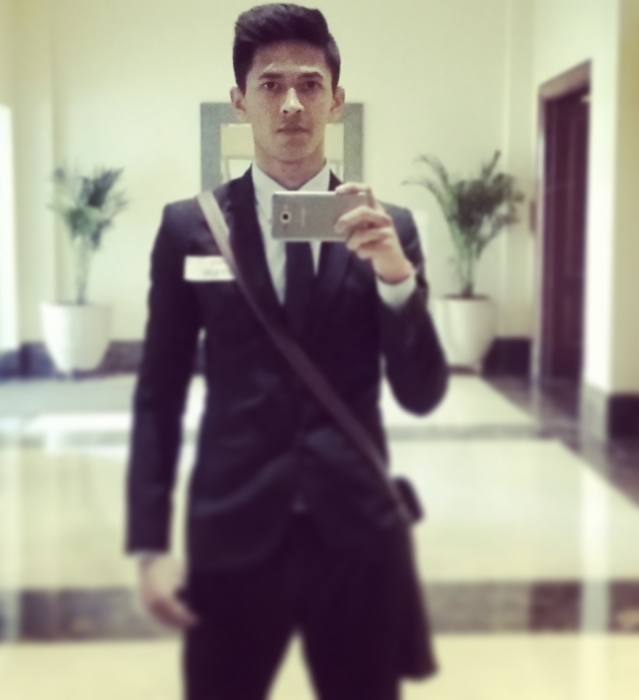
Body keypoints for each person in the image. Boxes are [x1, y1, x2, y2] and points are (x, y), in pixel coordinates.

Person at [126, 4, 448, 699]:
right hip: (232, 531)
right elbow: (158, 393)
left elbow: (422, 394)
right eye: (271, 85)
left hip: (355, 536)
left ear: (337, 99)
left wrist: (397, 280)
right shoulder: (190, 229)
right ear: (241, 101)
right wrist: (149, 544)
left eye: (309, 84)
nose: (292, 103)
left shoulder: (388, 229)